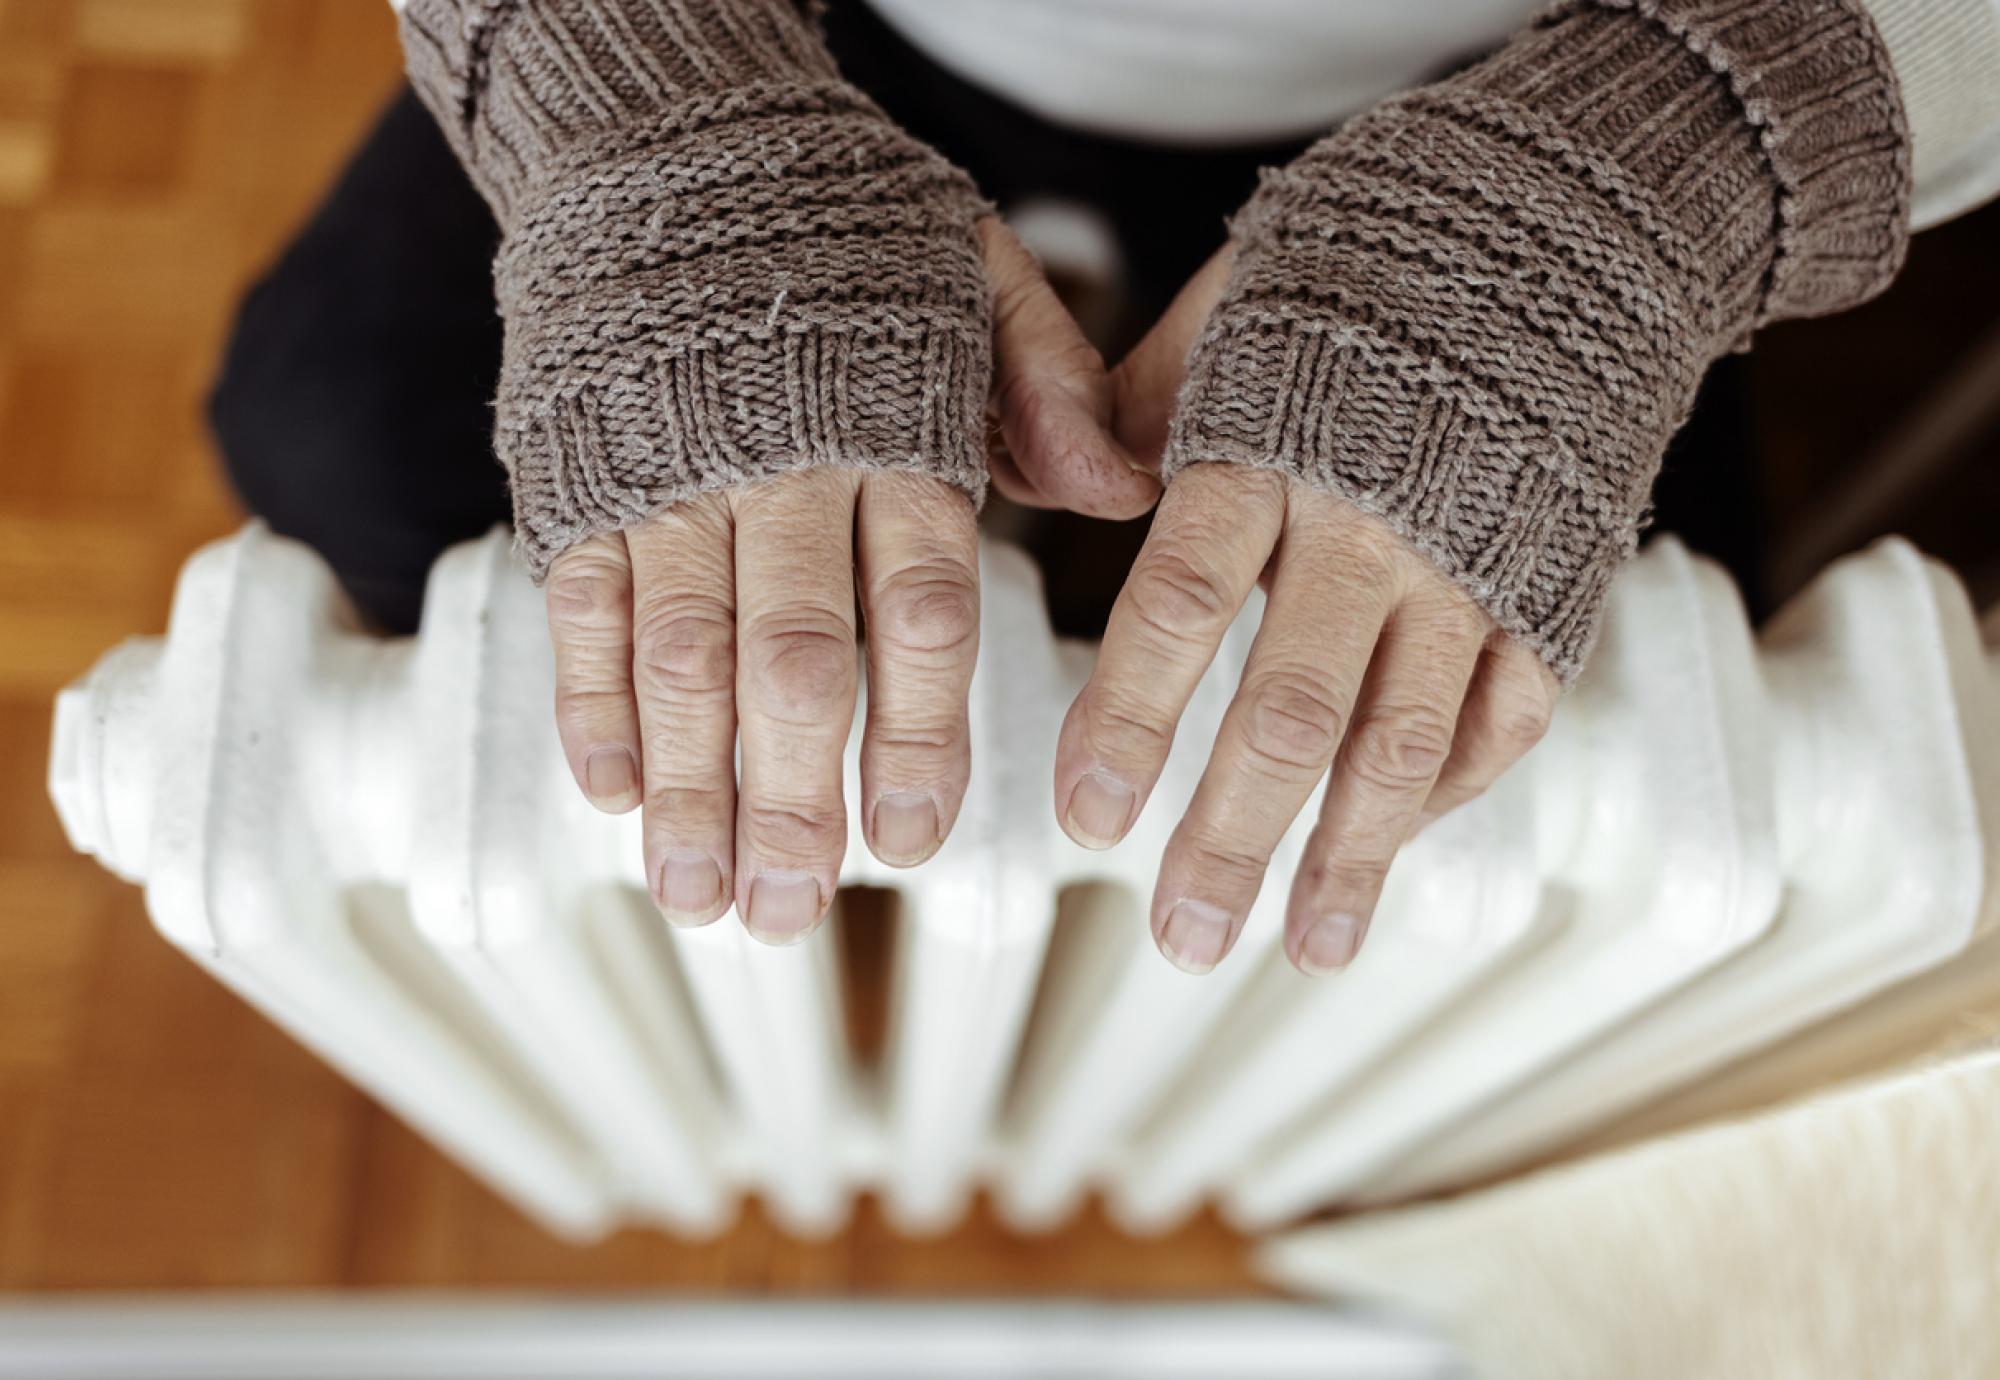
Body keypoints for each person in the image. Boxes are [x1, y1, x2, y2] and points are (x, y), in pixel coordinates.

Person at [209, 0, 2000, 976]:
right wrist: (630, 76)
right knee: (333, 427)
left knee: (1605, 673)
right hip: (766, 30)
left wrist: (1690, 130)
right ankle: (678, 895)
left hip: (1535, 93)